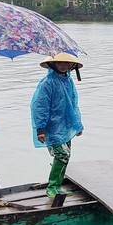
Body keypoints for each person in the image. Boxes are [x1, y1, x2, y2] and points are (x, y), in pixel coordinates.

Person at [31, 53, 84, 198]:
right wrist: (40, 128)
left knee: (66, 156)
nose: (62, 65)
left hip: (65, 125)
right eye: (59, 62)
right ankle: (52, 187)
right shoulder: (47, 83)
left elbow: (74, 104)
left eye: (66, 63)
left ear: (71, 65)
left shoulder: (68, 81)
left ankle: (58, 186)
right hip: (52, 126)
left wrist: (77, 124)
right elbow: (39, 106)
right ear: (52, 64)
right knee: (62, 154)